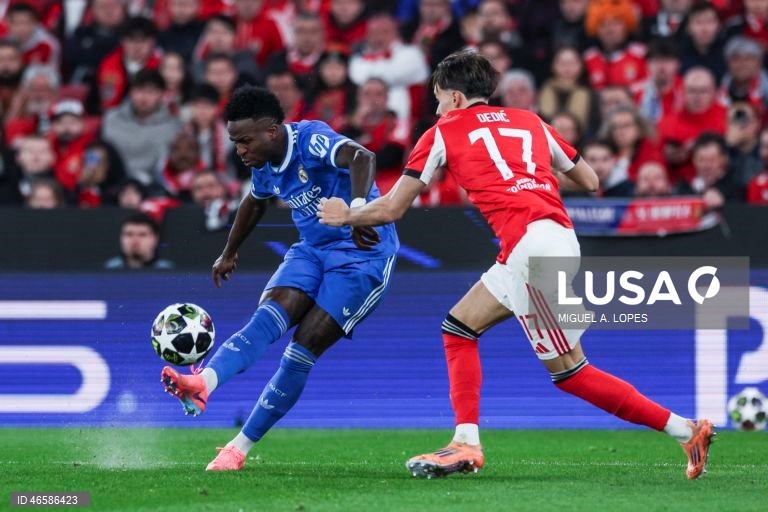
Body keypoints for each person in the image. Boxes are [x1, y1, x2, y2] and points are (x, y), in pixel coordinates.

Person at [317, 49, 714, 480]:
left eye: (437, 98)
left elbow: (394, 208)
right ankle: (465, 441)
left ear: (452, 98)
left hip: (532, 248)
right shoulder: (531, 121)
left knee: (571, 373)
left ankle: (686, 428)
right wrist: (526, 178)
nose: (436, 107)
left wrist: (347, 214)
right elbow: (591, 181)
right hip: (550, 239)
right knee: (458, 327)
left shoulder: (442, 132)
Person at [160, 85, 399, 472]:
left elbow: (361, 156)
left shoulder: (311, 139)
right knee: (267, 318)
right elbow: (255, 201)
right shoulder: (265, 165)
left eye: (244, 140)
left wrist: (357, 212)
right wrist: (229, 250)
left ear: (271, 131)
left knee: (301, 347)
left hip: (362, 254)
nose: (240, 150)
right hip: (311, 248)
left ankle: (238, 448)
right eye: (235, 142)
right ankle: (203, 384)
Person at [104, 212, 175, 269]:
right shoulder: (107, 271)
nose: (135, 240)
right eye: (129, 234)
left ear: (155, 239)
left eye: (142, 235)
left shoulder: (169, 272)